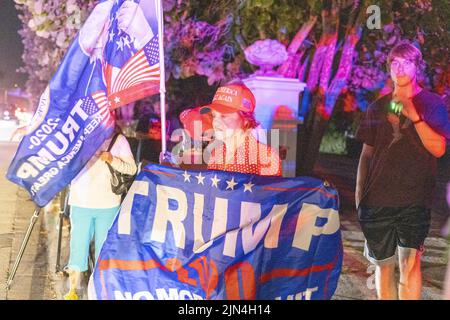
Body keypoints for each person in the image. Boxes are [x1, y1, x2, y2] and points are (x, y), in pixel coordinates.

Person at [355, 41, 449, 300]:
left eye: (406, 62)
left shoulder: (432, 104)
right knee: (384, 268)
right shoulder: (377, 107)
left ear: (417, 67)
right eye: (395, 62)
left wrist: (415, 115)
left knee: (409, 266)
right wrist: (359, 198)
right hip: (376, 201)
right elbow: (366, 155)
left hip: (414, 200)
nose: (400, 68)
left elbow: (439, 148)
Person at [64, 125, 137, 300]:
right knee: (78, 248)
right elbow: (65, 164)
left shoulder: (118, 140)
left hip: (108, 204)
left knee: (103, 250)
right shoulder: (78, 135)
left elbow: (132, 169)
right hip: (81, 202)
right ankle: (73, 290)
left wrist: (112, 160)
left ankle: (99, 290)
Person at [199, 82, 282, 176]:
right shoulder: (217, 153)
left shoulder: (265, 156)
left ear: (246, 120)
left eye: (224, 116)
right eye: (214, 115)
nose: (215, 122)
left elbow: (272, 190)